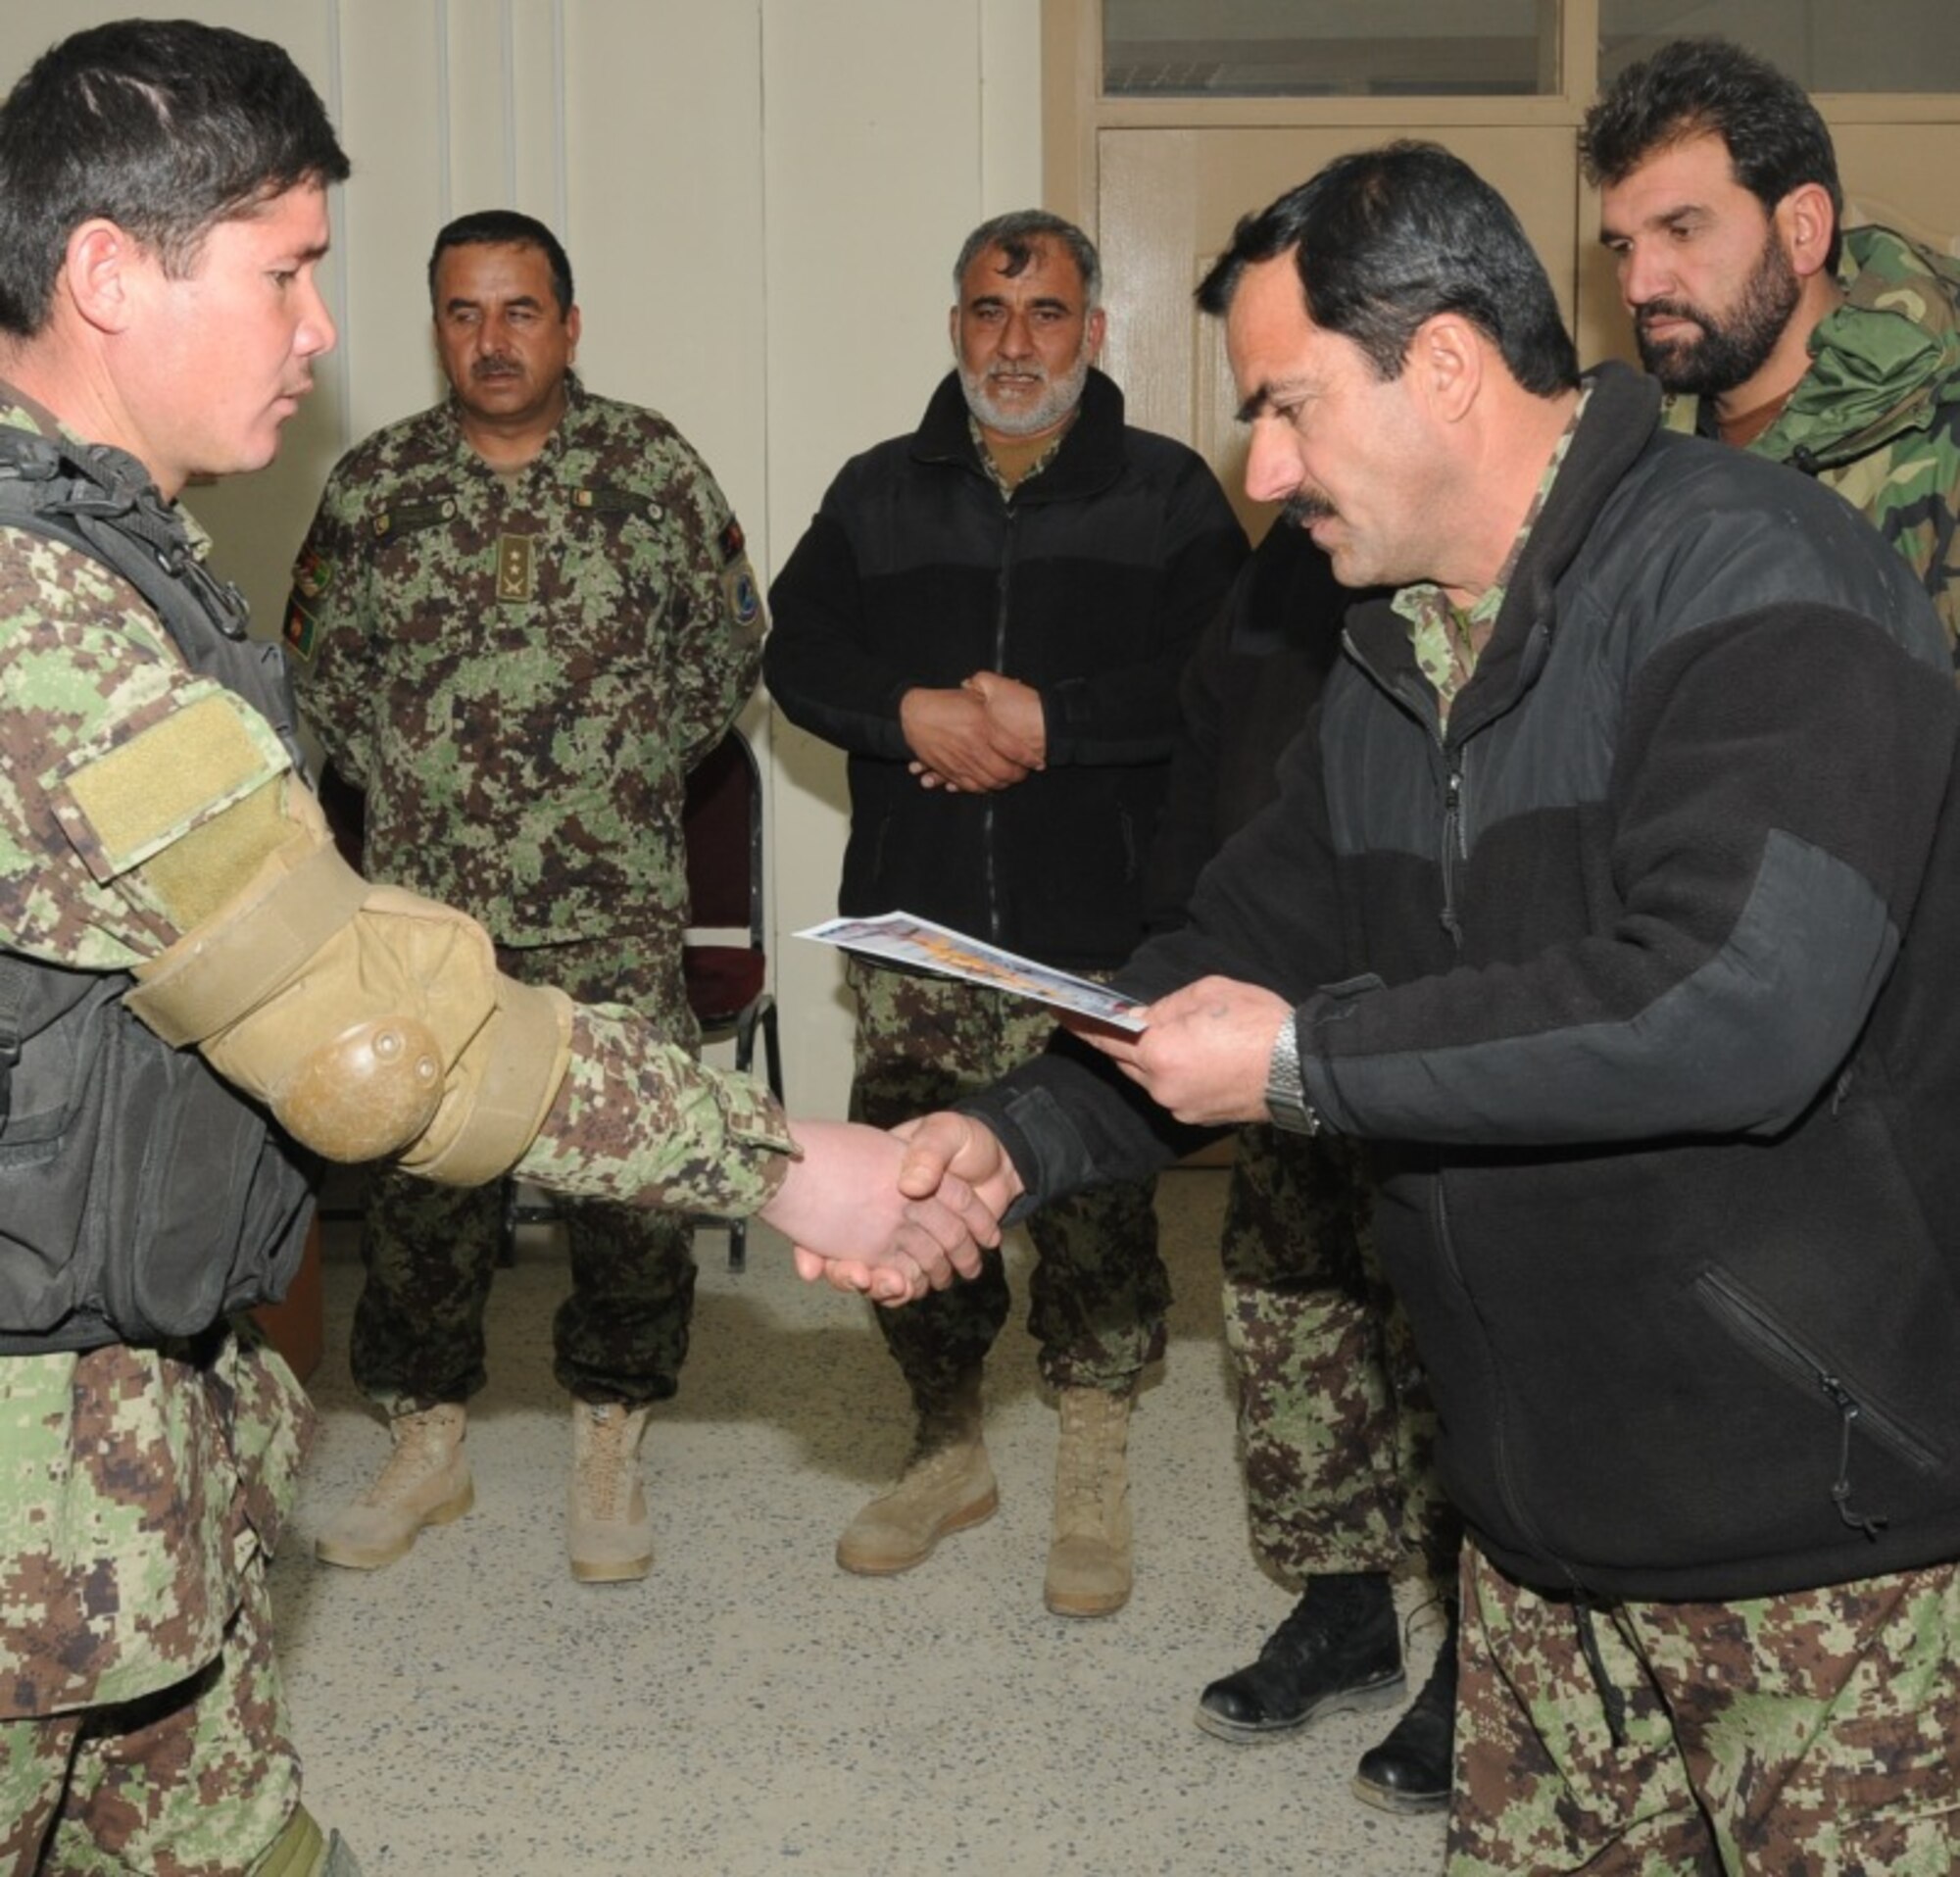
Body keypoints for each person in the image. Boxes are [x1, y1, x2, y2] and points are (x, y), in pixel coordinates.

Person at [890, 142, 1960, 1870]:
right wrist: (996, 1147)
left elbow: (1737, 1003)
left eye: (1291, 409)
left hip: (1825, 1548)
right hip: (1535, 1540)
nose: (1262, 467)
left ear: (1445, 366)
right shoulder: (1394, 652)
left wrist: (1309, 1063)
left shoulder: (1763, 578)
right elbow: (1227, 950)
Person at [0, 21, 993, 1874]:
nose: (323, 326)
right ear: (107, 273)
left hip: (131, 1447)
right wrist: (793, 1161)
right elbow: (382, 1033)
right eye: (286, 273)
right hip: (34, 1478)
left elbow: (721, 653)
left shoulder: (123, 547)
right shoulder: (35, 606)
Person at [766, 210, 1245, 1617]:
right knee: (908, 1191)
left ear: (1095, 332)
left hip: (1092, 928)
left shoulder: (1167, 497)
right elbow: (794, 652)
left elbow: (1222, 684)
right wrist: (905, 708)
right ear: (956, 327)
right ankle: (946, 1440)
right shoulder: (876, 492)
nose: (1014, 342)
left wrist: (1055, 724)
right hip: (916, 934)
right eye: (988, 312)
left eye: (1045, 315)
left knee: (1090, 1207)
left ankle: (1091, 1454)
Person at [286, 210, 760, 1586]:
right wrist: (429, 790)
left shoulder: (651, 468)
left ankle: (611, 1427)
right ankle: (427, 1434)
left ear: (569, 322)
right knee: (425, 1177)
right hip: (432, 912)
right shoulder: (376, 488)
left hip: (614, 899)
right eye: (462, 313)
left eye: (520, 311)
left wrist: (614, 771)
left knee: (631, 1183)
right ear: (437, 324)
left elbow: (729, 642)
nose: (491, 341)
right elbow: (320, 670)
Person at [1148, 523, 1461, 1811]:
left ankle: (1481, 1644)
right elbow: (1212, 740)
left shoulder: (1476, 548)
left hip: (1421, 1011)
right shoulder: (1293, 555)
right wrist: (1178, 937)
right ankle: (1345, 1609)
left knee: (1444, 1338)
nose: (1277, 456)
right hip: (1271, 983)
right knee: (1289, 1323)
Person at [1580, 35, 1960, 644]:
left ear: (1802, 231)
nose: (1638, 284)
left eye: (1681, 230)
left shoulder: (1938, 434)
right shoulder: (1618, 451)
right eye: (1624, 248)